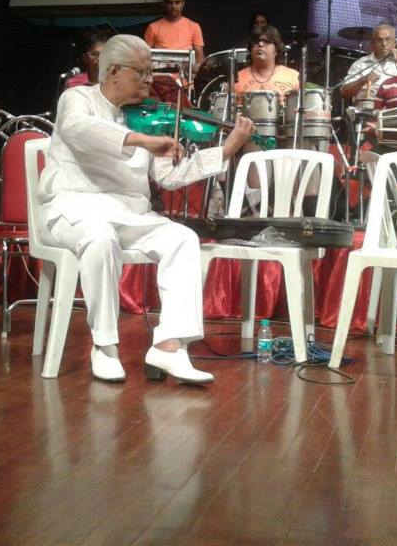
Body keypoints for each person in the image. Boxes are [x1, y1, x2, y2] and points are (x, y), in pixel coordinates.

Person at [39, 34, 254, 384]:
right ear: (112, 72)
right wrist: (142, 141)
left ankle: (169, 347)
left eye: (150, 72)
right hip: (74, 207)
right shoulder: (77, 98)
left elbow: (169, 177)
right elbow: (77, 130)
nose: (149, 80)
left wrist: (226, 151)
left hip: (131, 213)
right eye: (141, 72)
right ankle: (105, 346)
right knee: (99, 237)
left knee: (182, 239)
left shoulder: (146, 117)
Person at [233, 25, 300, 102]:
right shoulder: (235, 79)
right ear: (250, 49)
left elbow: (305, 111)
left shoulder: (294, 77)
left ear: (276, 50)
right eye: (256, 41)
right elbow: (223, 111)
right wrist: (233, 114)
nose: (260, 44)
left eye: (267, 41)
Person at [339, 23, 397, 102]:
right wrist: (362, 80)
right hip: (365, 110)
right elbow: (344, 93)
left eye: (388, 39)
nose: (384, 44)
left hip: (394, 110)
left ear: (395, 43)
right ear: (373, 43)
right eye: (379, 40)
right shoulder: (361, 63)